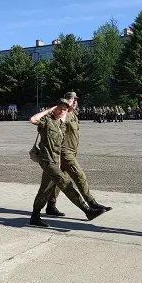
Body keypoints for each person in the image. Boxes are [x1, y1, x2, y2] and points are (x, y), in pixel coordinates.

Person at [28, 99, 106, 227]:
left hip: (55, 161)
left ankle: (35, 216)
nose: (62, 111)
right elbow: (33, 119)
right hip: (47, 160)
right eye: (59, 108)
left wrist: (58, 162)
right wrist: (48, 110)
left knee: (45, 189)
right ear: (55, 108)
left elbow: (58, 147)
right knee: (66, 184)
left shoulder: (61, 125)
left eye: (64, 109)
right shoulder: (47, 121)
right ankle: (87, 210)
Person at [47, 92, 112, 216]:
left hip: (72, 151)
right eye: (72, 100)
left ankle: (51, 205)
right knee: (79, 176)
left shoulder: (73, 115)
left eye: (76, 100)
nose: (75, 102)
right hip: (64, 152)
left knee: (59, 182)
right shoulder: (63, 114)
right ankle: (91, 202)